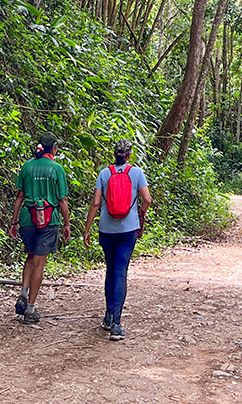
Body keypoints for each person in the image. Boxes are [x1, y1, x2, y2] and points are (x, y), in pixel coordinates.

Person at [83, 139, 151, 342]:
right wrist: (140, 214)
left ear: (114, 155)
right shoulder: (136, 173)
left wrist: (87, 229)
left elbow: (96, 203)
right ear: (129, 155)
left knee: (110, 269)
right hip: (128, 229)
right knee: (121, 272)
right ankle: (117, 325)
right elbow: (147, 199)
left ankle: (107, 315)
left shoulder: (104, 173)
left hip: (106, 229)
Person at [8, 132, 70, 324]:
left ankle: (23, 292)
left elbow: (19, 195)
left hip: (27, 218)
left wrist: (14, 221)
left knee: (30, 256)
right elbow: (62, 200)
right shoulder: (56, 169)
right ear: (54, 149)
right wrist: (67, 223)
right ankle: (30, 309)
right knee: (40, 263)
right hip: (48, 219)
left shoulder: (27, 167)